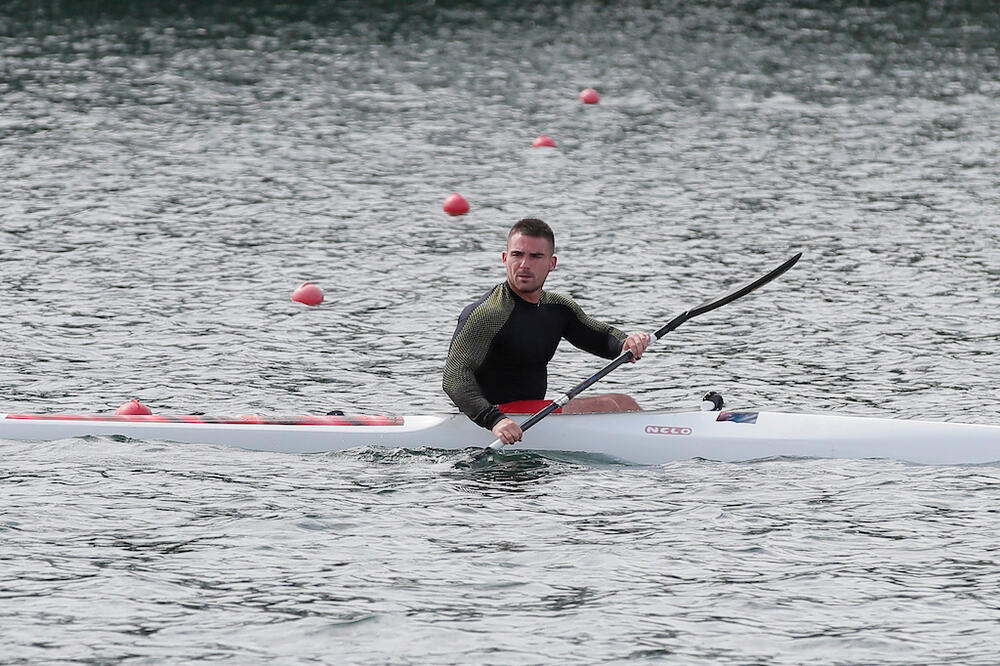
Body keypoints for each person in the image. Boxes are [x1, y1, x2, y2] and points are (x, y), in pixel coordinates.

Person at [443, 218, 651, 445]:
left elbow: (601, 338)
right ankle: (654, 446)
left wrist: (627, 342)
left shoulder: (557, 307)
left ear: (552, 263)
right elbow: (454, 378)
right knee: (610, 406)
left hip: (530, 415)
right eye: (517, 255)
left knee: (623, 402)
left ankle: (654, 444)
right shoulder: (487, 314)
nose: (524, 264)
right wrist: (495, 420)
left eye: (535, 257)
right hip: (498, 418)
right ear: (505, 258)